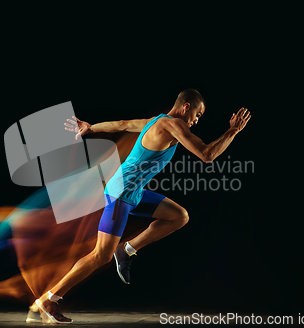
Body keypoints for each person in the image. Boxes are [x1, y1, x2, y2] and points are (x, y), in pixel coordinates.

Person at [33, 89, 252, 323]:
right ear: (186, 107)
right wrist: (233, 130)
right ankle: (49, 300)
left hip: (134, 192)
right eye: (198, 114)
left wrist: (91, 127)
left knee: (179, 216)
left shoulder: (156, 121)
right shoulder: (173, 125)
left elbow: (123, 124)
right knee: (100, 255)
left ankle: (126, 250)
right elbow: (207, 155)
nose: (197, 120)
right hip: (122, 193)